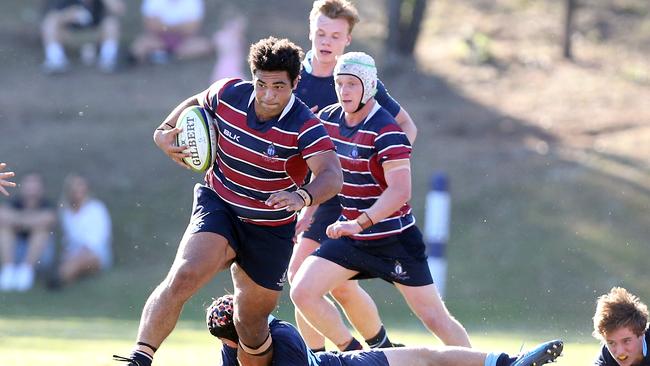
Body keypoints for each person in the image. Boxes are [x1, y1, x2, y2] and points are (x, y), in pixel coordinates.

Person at [113, 37, 342, 366]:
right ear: (252, 78)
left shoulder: (305, 125)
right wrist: (163, 131)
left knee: (250, 324)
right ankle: (140, 357)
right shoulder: (228, 94)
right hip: (220, 204)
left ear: (295, 83)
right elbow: (196, 101)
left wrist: (301, 196)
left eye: (279, 86)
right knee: (185, 274)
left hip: (270, 228)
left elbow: (332, 175)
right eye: (261, 84)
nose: (267, 95)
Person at [291, 52, 471, 350]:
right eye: (339, 83)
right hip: (353, 239)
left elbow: (400, 192)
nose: (344, 91)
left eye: (352, 84)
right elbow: (320, 171)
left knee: (435, 318)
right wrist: (309, 210)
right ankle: (356, 355)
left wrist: (358, 223)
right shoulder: (328, 121)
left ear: (369, 87)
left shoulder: (386, 130)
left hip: (394, 239)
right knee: (303, 291)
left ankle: (491, 361)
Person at [288, 0, 418, 351]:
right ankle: (383, 349)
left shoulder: (358, 78)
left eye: (335, 35)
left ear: (348, 40)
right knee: (338, 285)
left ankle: (324, 357)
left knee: (301, 276)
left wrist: (375, 167)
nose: (326, 41)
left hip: (338, 194)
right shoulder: (291, 77)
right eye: (320, 33)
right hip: (304, 194)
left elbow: (406, 126)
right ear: (310, 31)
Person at [205, 294, 563, 366]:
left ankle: (507, 363)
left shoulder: (282, 335)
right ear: (227, 338)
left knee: (427, 356)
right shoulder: (231, 350)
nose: (261, 319)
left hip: (345, 365)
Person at [48, 174, 112, 289]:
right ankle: (64, 277)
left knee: (80, 261)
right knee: (73, 261)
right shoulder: (66, 213)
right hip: (73, 253)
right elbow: (67, 239)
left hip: (95, 252)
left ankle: (61, 279)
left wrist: (84, 249)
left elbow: (101, 236)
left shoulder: (96, 208)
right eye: (74, 187)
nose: (77, 190)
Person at [0, 173, 56, 291]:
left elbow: (48, 219)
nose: (32, 188)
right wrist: (32, 220)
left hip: (41, 256)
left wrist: (17, 221)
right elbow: (2, 215)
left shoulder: (47, 204)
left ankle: (26, 273)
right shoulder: (14, 202)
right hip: (14, 250)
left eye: (35, 184)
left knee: (41, 231)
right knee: (4, 229)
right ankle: (8, 271)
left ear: (42, 188)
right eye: (29, 183)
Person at [41, 0, 125, 74]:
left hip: (95, 36)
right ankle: (55, 60)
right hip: (71, 36)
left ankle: (108, 60)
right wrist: (68, 15)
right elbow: (51, 17)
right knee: (50, 22)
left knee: (111, 23)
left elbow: (119, 10)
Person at [130, 0, 214, 65]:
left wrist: (164, 27)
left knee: (204, 46)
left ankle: (164, 55)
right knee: (138, 47)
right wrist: (180, 27)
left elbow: (192, 28)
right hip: (158, 40)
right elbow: (150, 25)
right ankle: (173, 55)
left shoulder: (193, 2)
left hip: (184, 41)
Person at [592, 287, 650, 366]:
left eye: (626, 341)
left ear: (642, 332)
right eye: (611, 343)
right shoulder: (605, 361)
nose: (620, 352)